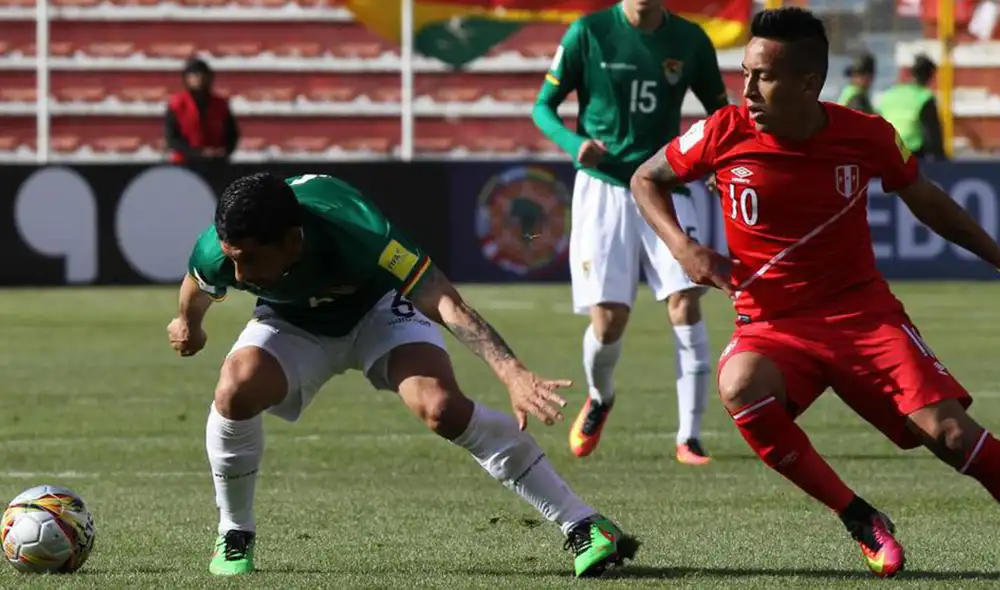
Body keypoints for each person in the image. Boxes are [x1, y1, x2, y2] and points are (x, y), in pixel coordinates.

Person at [630, 7, 1000, 579]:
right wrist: (685, 248)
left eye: (763, 76)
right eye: (746, 72)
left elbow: (929, 203)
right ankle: (858, 517)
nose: (747, 88)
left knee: (950, 435)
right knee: (740, 384)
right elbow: (645, 179)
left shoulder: (866, 135)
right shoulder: (725, 130)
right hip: (771, 326)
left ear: (808, 83)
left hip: (863, 318)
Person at [166, 172, 639, 578]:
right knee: (235, 389)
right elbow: (199, 282)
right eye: (231, 258)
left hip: (378, 309)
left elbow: (443, 299)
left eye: (247, 259)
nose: (237, 270)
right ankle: (235, 532)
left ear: (292, 239)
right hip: (294, 322)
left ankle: (583, 524)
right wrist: (189, 322)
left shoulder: (354, 226)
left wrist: (511, 370)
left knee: (442, 408)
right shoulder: (224, 247)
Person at [532, 0, 729, 464]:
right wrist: (572, 143)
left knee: (685, 301)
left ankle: (690, 436)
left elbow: (720, 111)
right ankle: (600, 397)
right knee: (608, 319)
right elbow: (543, 108)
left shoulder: (690, 39)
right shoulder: (588, 33)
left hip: (666, 184)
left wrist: (723, 159)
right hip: (604, 189)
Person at [165, 57, 240, 166]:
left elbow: (232, 134)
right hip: (184, 164)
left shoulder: (220, 104)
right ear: (186, 78)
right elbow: (172, 138)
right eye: (193, 75)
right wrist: (197, 153)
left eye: (201, 74)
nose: (198, 78)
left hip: (216, 163)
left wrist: (224, 151)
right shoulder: (177, 104)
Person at [878, 54, 946, 160]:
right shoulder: (925, 97)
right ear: (930, 77)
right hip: (911, 152)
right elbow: (933, 135)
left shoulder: (890, 93)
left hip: (886, 151)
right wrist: (942, 161)